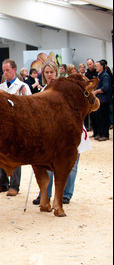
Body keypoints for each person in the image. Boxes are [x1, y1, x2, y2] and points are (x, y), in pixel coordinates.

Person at [32, 61, 89, 205]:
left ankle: (66, 194)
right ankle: (45, 193)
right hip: (49, 133)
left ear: (56, 73)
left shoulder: (65, 88)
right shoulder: (43, 90)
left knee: (71, 163)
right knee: (47, 164)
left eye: (51, 72)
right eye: (46, 72)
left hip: (69, 130)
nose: (49, 75)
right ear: (43, 74)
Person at [0, 59, 31, 197]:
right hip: (2, 126)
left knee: (14, 155)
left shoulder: (23, 87)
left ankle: (14, 185)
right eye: (4, 70)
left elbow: (29, 106)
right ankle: (2, 183)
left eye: (8, 70)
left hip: (17, 125)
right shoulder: (0, 88)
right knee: (0, 153)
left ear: (14, 70)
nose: (5, 73)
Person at [93, 60, 112, 141]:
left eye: (97, 66)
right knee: (99, 118)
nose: (95, 67)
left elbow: (105, 87)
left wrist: (96, 91)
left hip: (104, 101)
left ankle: (105, 134)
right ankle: (100, 133)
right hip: (100, 100)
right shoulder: (99, 75)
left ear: (102, 67)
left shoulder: (105, 76)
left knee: (104, 118)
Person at [85, 58, 98, 132]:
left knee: (98, 116)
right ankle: (95, 132)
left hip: (97, 94)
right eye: (88, 65)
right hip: (90, 95)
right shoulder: (87, 73)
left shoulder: (97, 72)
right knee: (92, 115)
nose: (89, 66)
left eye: (90, 64)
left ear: (93, 63)